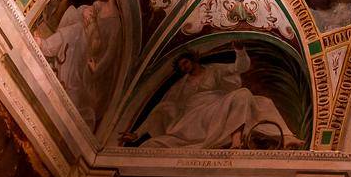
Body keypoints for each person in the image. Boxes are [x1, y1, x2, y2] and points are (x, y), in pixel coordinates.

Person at [124, 48, 302, 150]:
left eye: (185, 63)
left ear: (192, 60)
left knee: (256, 99)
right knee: (154, 143)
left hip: (217, 105)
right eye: (181, 67)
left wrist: (239, 52)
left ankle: (275, 138)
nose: (184, 67)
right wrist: (137, 134)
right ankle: (236, 140)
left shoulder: (214, 70)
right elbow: (161, 109)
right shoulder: (180, 85)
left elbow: (240, 67)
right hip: (194, 117)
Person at [34, 0, 123, 128]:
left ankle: (67, 82)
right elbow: (86, 11)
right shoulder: (99, 4)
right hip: (84, 34)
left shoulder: (116, 23)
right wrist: (87, 14)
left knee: (76, 36)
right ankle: (45, 45)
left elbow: (109, 53)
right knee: (74, 30)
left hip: (94, 53)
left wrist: (97, 68)